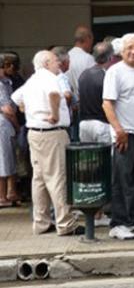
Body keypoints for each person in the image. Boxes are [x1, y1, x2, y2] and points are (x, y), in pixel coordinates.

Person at [11, 51, 84, 236]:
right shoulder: (51, 78)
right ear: (45, 63)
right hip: (52, 133)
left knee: (40, 179)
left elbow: (16, 99)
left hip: (35, 133)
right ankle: (65, 223)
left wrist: (31, 110)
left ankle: (41, 222)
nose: (58, 63)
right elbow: (54, 94)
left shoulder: (32, 80)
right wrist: (54, 114)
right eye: (54, 60)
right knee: (58, 177)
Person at [103, 33, 134, 241]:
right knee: (121, 180)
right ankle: (118, 223)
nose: (133, 52)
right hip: (125, 134)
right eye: (129, 48)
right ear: (121, 51)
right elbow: (107, 104)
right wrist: (119, 130)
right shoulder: (115, 72)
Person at [78, 42, 114, 144]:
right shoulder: (107, 77)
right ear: (110, 58)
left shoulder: (84, 74)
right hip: (102, 123)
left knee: (88, 158)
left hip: (84, 124)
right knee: (104, 158)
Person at [0, 54, 20, 207]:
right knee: (5, 159)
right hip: (4, 125)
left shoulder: (7, 82)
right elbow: (8, 109)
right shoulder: (2, 84)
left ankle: (9, 193)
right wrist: (17, 125)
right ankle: (4, 195)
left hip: (5, 125)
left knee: (7, 158)